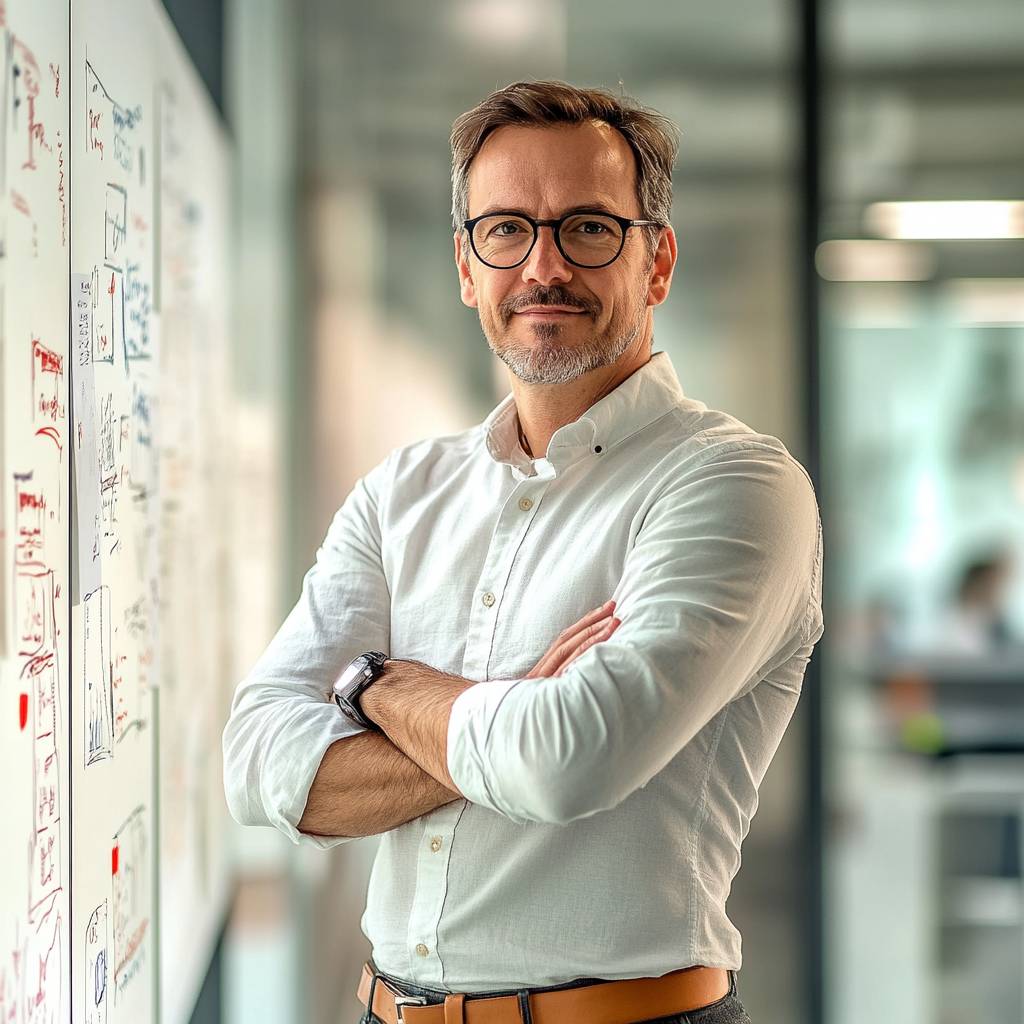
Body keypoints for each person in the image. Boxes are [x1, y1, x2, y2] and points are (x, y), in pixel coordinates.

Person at [222, 79, 824, 1024]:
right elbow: (258, 763)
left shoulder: (734, 485)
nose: (544, 266)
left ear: (657, 261)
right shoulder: (403, 492)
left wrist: (375, 685)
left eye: (587, 227)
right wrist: (508, 713)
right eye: (505, 230)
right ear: (467, 268)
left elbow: (569, 761)